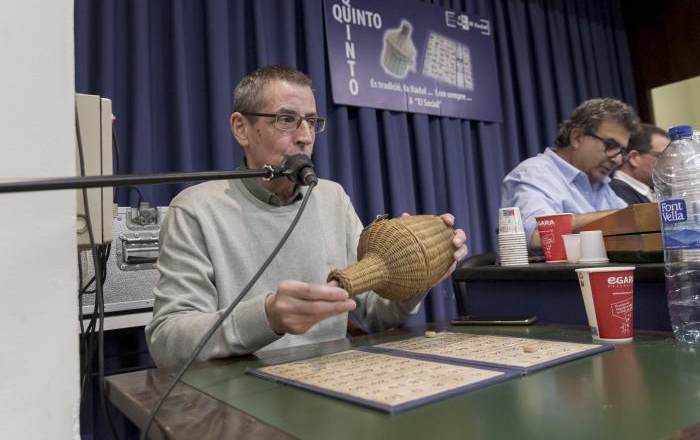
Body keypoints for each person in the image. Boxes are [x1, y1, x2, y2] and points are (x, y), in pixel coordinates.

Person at [146, 65, 467, 367]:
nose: (305, 136)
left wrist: (419, 273)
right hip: (238, 401)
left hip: (332, 387)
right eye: (286, 119)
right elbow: (167, 342)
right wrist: (267, 316)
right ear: (241, 128)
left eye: (311, 122)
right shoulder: (194, 209)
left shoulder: (332, 198)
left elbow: (375, 314)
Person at [501, 98, 641, 249]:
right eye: (611, 145)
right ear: (577, 138)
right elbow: (538, 236)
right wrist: (618, 218)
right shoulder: (533, 174)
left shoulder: (601, 185)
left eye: (622, 151)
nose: (618, 159)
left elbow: (635, 230)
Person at [610, 123, 670, 204]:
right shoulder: (618, 195)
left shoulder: (647, 191)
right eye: (661, 156)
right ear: (634, 158)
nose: (669, 165)